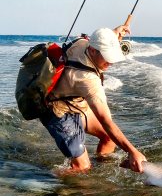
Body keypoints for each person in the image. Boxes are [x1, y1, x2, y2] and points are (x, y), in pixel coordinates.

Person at [40, 25, 146, 173]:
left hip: (73, 101)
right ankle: (43, 180)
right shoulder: (88, 80)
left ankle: (101, 169)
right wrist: (132, 151)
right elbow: (106, 121)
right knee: (81, 168)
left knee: (108, 138)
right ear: (93, 50)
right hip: (57, 110)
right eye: (107, 58)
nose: (111, 63)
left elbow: (101, 40)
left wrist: (115, 33)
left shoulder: (82, 42)